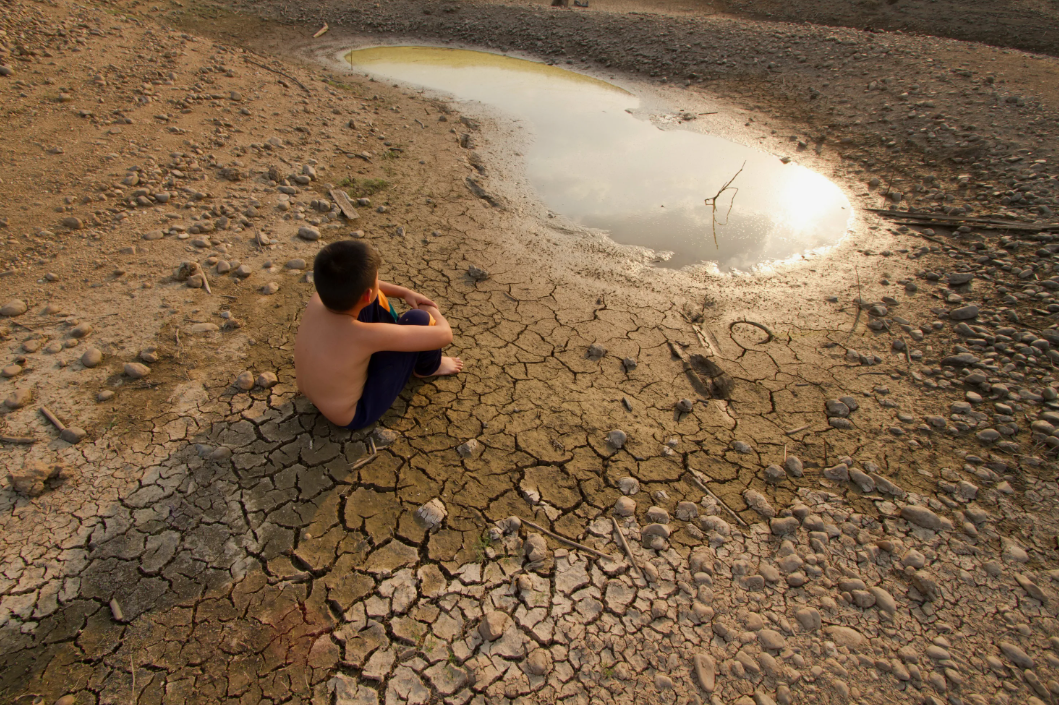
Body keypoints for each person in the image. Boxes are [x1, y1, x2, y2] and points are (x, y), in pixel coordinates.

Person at [295, 240, 463, 429]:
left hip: (317, 394)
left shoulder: (318, 298)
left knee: (373, 299)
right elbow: (444, 335)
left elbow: (366, 288)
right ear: (367, 293)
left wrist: (404, 293)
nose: (378, 282)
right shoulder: (364, 336)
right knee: (419, 318)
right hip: (355, 413)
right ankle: (429, 368)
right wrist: (431, 309)